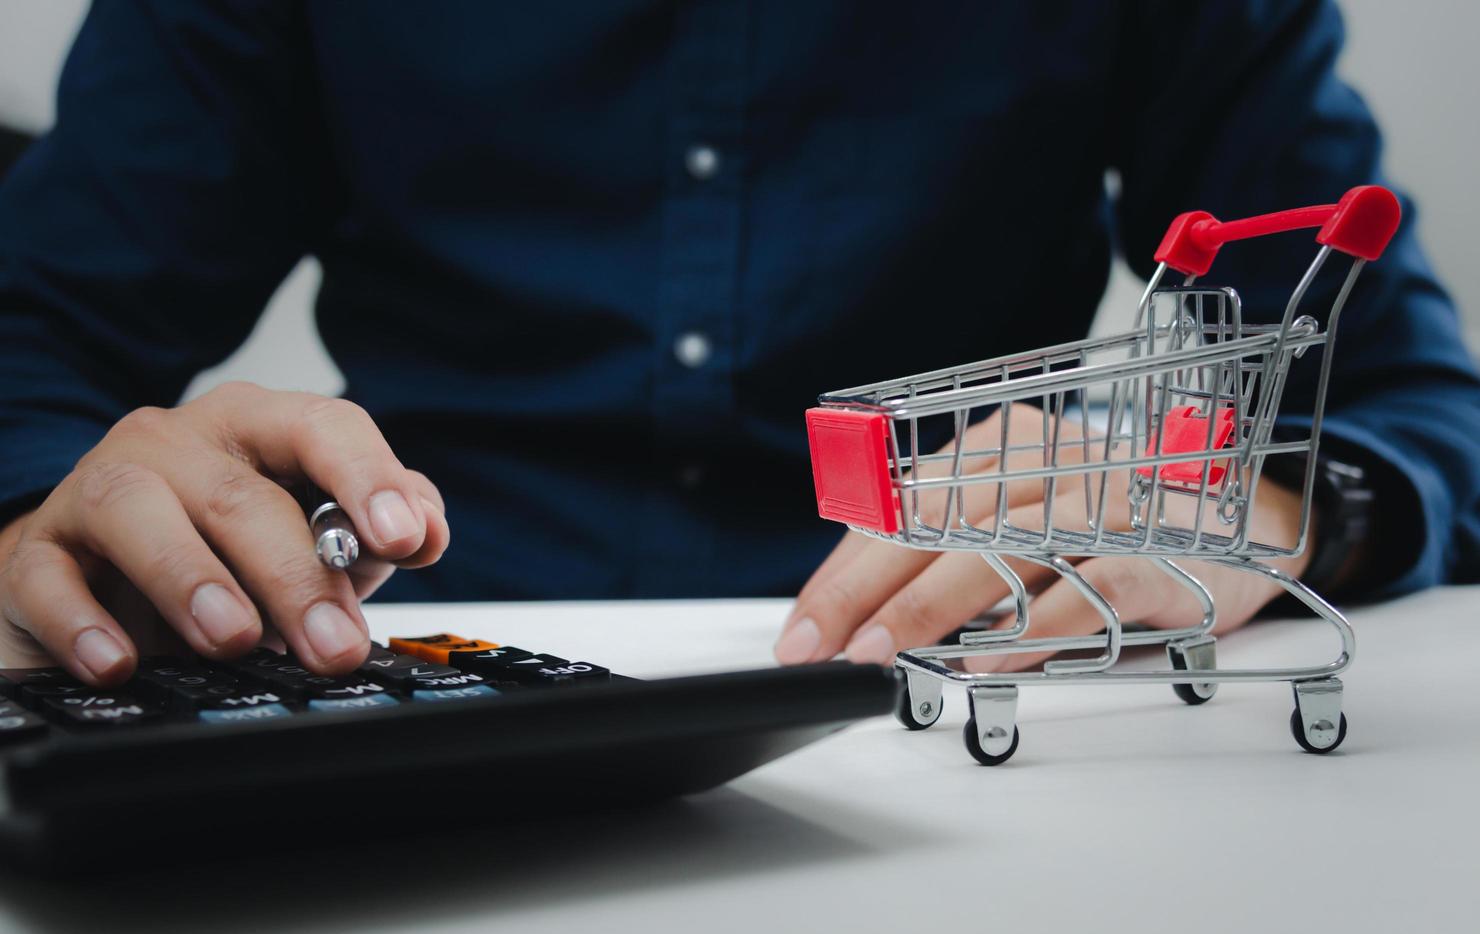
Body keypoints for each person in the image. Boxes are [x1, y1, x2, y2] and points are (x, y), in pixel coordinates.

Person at [1, 1, 1477, 687]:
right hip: (398, 709)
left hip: (969, 721)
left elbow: (1414, 405)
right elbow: (34, 337)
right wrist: (65, 517)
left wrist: (1276, 509)